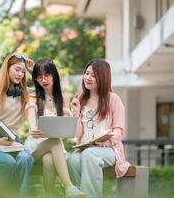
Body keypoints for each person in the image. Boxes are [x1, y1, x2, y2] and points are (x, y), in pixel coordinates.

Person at [67, 58, 130, 198]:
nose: (88, 78)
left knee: (89, 155)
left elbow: (119, 131)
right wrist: (76, 114)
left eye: (94, 75)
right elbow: (77, 135)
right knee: (72, 159)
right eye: (87, 73)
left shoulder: (113, 99)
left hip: (109, 149)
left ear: (103, 78)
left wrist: (106, 139)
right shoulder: (81, 100)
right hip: (86, 148)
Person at [25, 58, 86, 198]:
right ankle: (70, 188)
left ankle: (49, 194)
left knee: (48, 159)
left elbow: (68, 128)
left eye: (47, 75)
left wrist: (73, 113)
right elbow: (31, 117)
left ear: (54, 75)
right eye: (39, 77)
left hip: (53, 150)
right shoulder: (33, 96)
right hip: (35, 147)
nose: (43, 79)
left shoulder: (63, 98)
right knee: (55, 141)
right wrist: (33, 127)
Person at [0, 53, 34, 196]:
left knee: (26, 158)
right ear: (7, 69)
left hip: (13, 143)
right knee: (7, 163)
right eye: (17, 69)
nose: (20, 74)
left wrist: (32, 72)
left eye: (23, 71)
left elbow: (46, 89)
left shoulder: (23, 93)